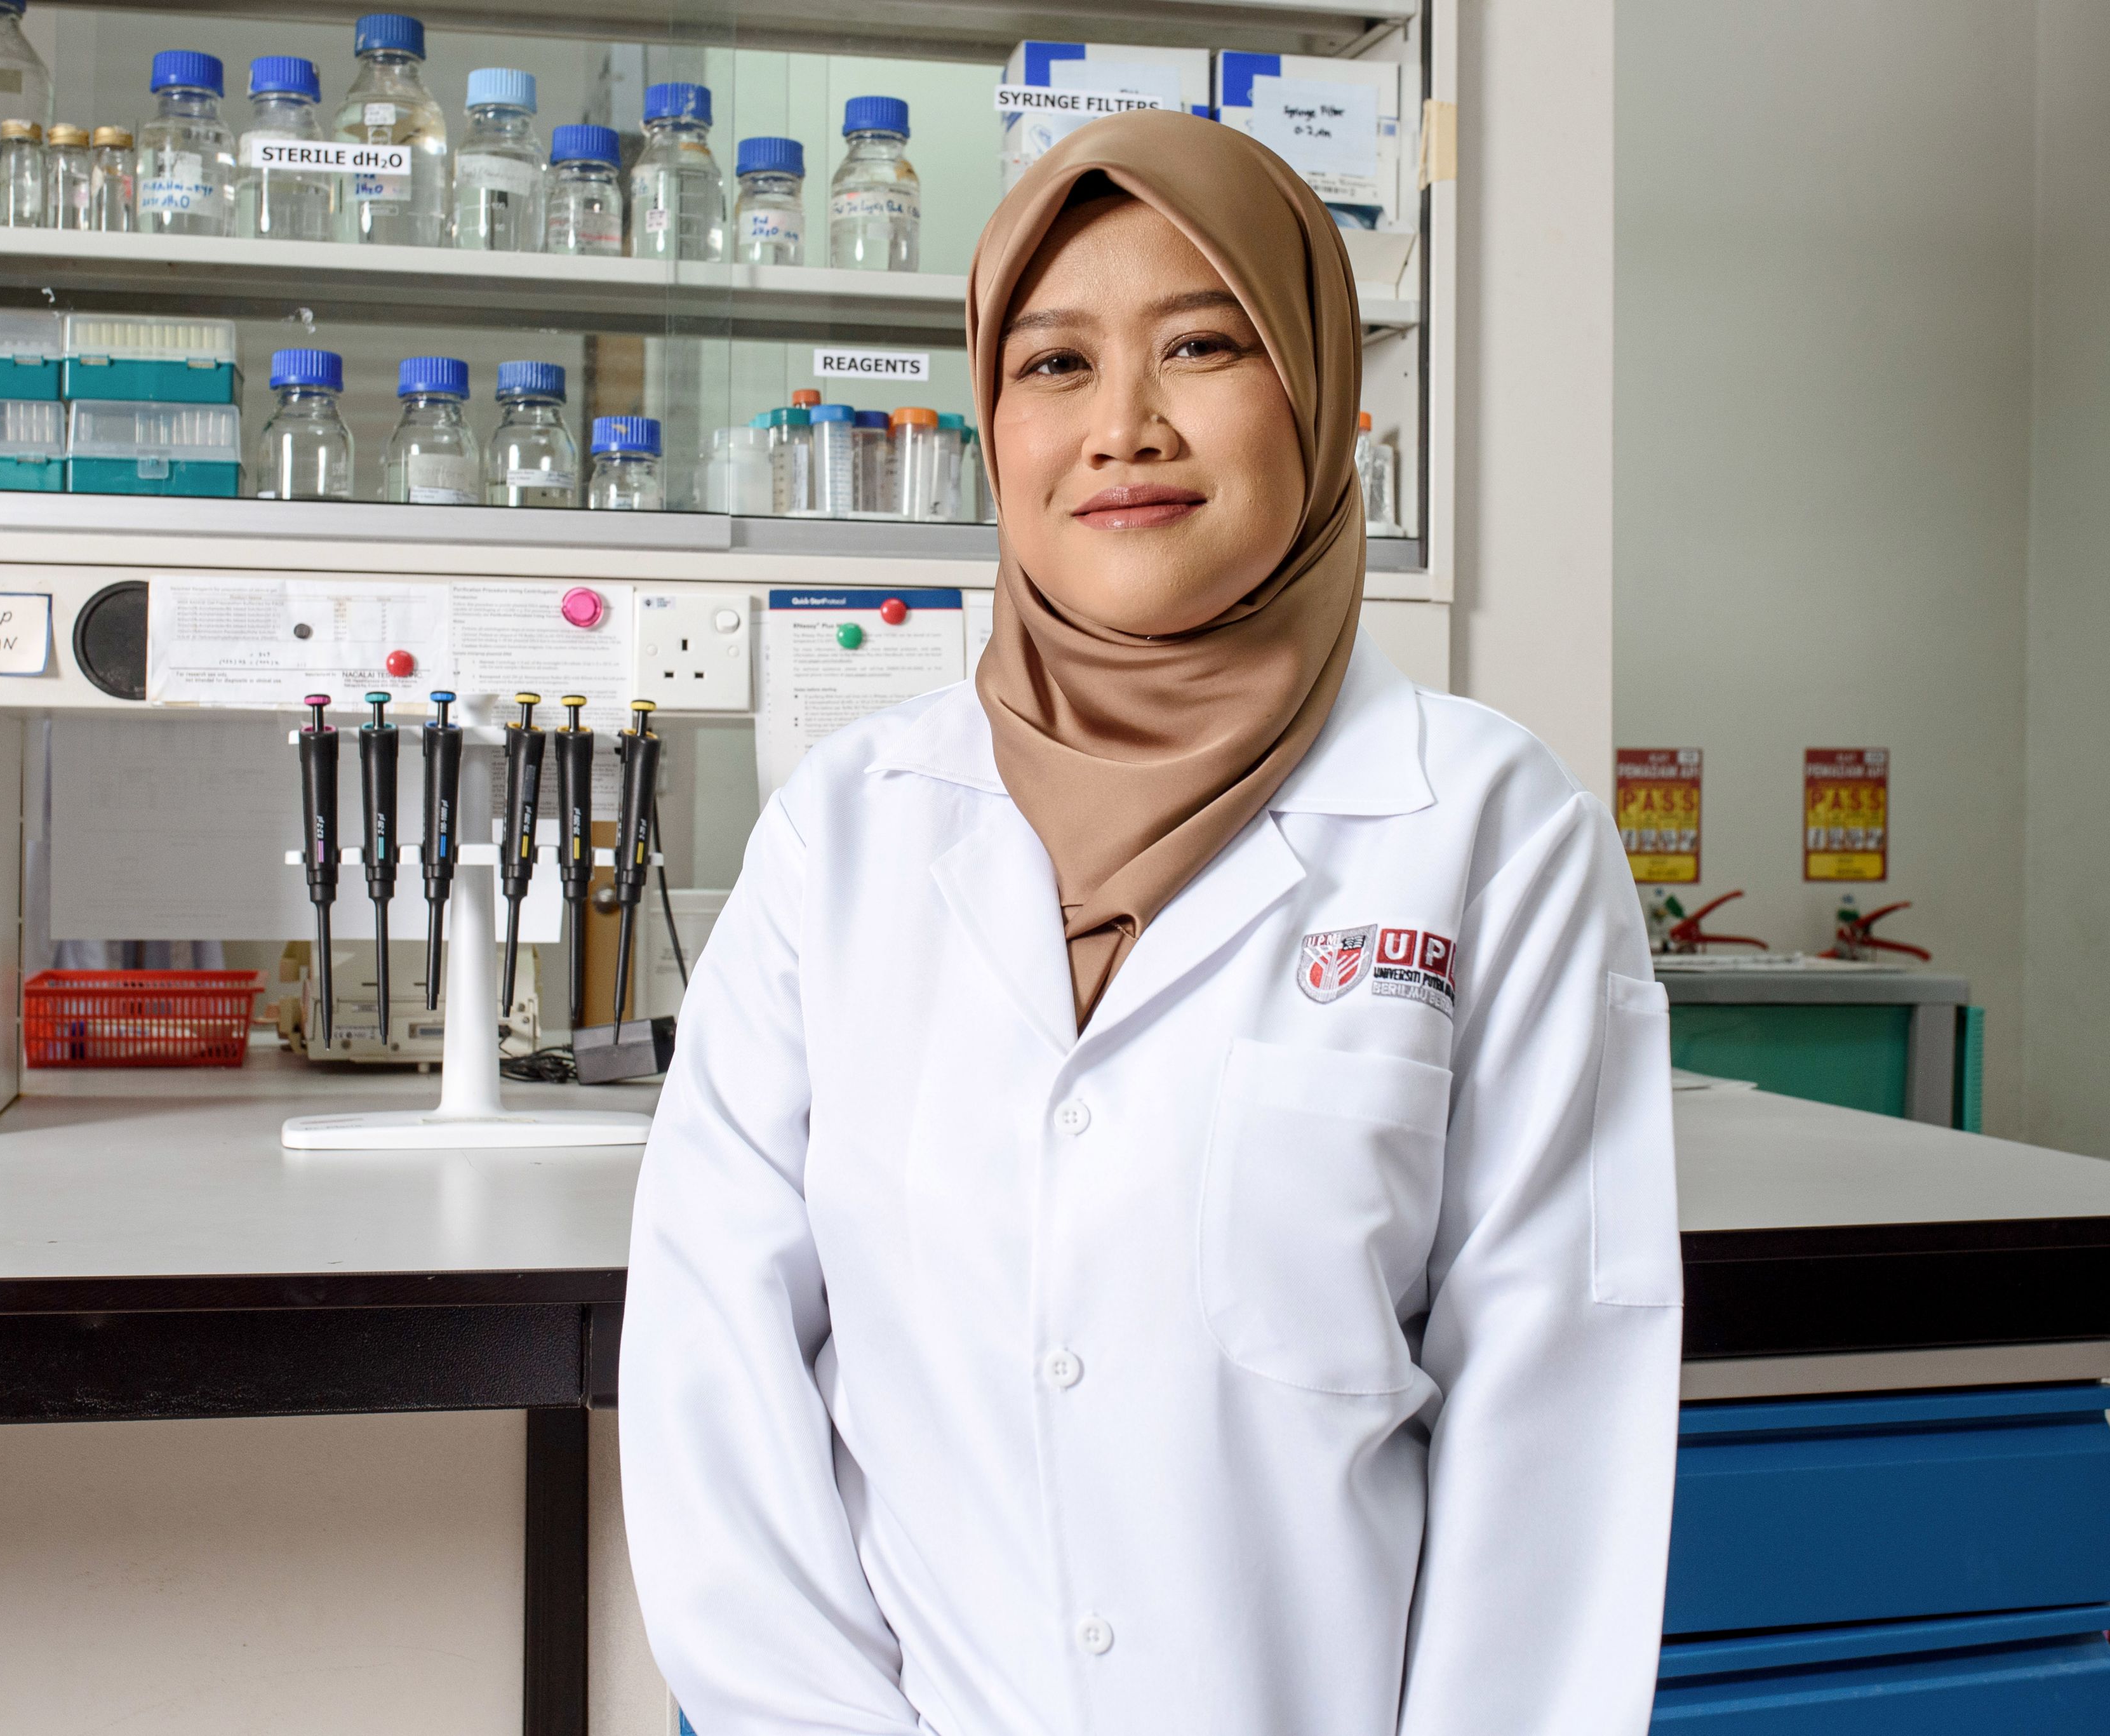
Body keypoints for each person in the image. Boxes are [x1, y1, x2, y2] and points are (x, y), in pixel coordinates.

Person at [619, 109, 1682, 1735]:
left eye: (1200, 342)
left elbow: (1555, 1428)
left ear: (1319, 395)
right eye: (1050, 363)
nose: (1119, 426)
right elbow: (714, 1372)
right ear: (989, 421)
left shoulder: (1486, 829)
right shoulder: (843, 834)